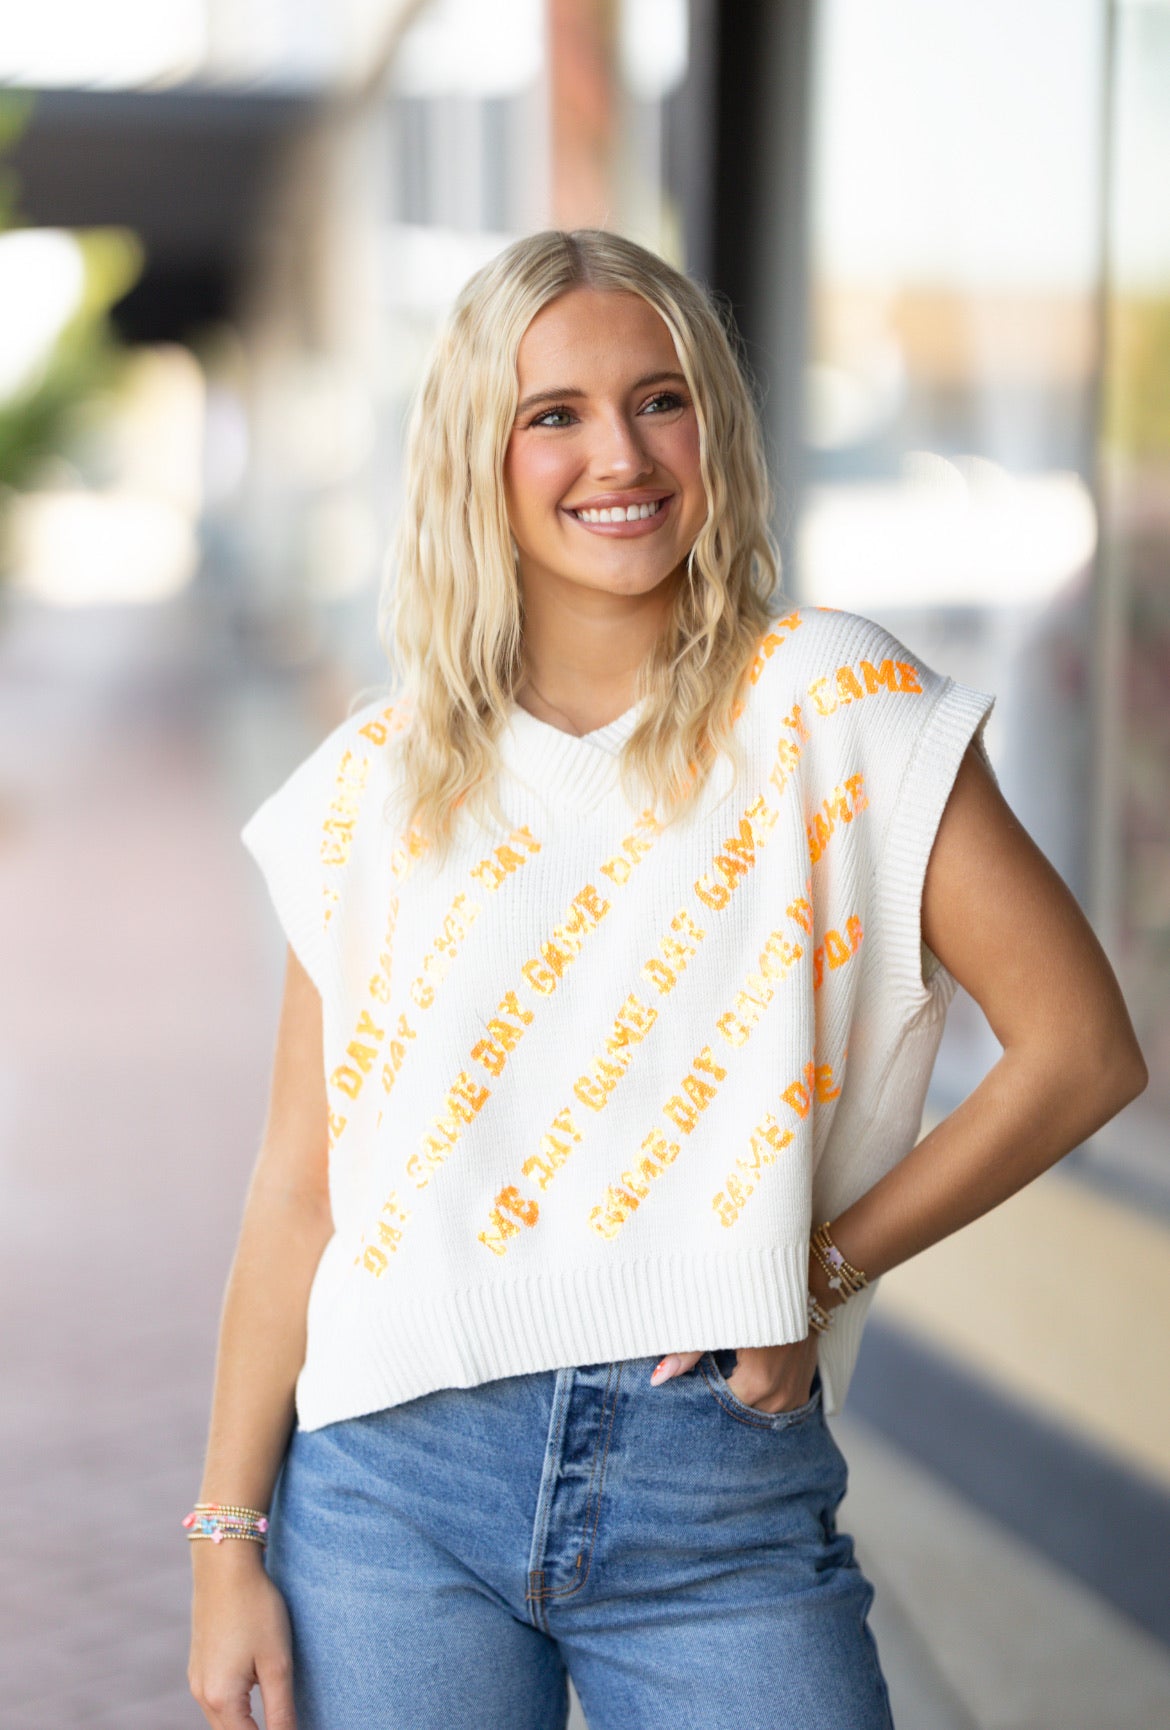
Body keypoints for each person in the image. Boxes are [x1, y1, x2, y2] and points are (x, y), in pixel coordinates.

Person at [185, 229, 1147, 1730]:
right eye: (551, 413)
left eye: (660, 398)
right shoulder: (375, 780)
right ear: (476, 458)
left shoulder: (835, 702)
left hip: (715, 1498)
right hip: (390, 1492)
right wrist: (225, 1541)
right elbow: (300, 1189)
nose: (617, 454)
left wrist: (823, 1258)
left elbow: (1081, 1048)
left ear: (714, 425)